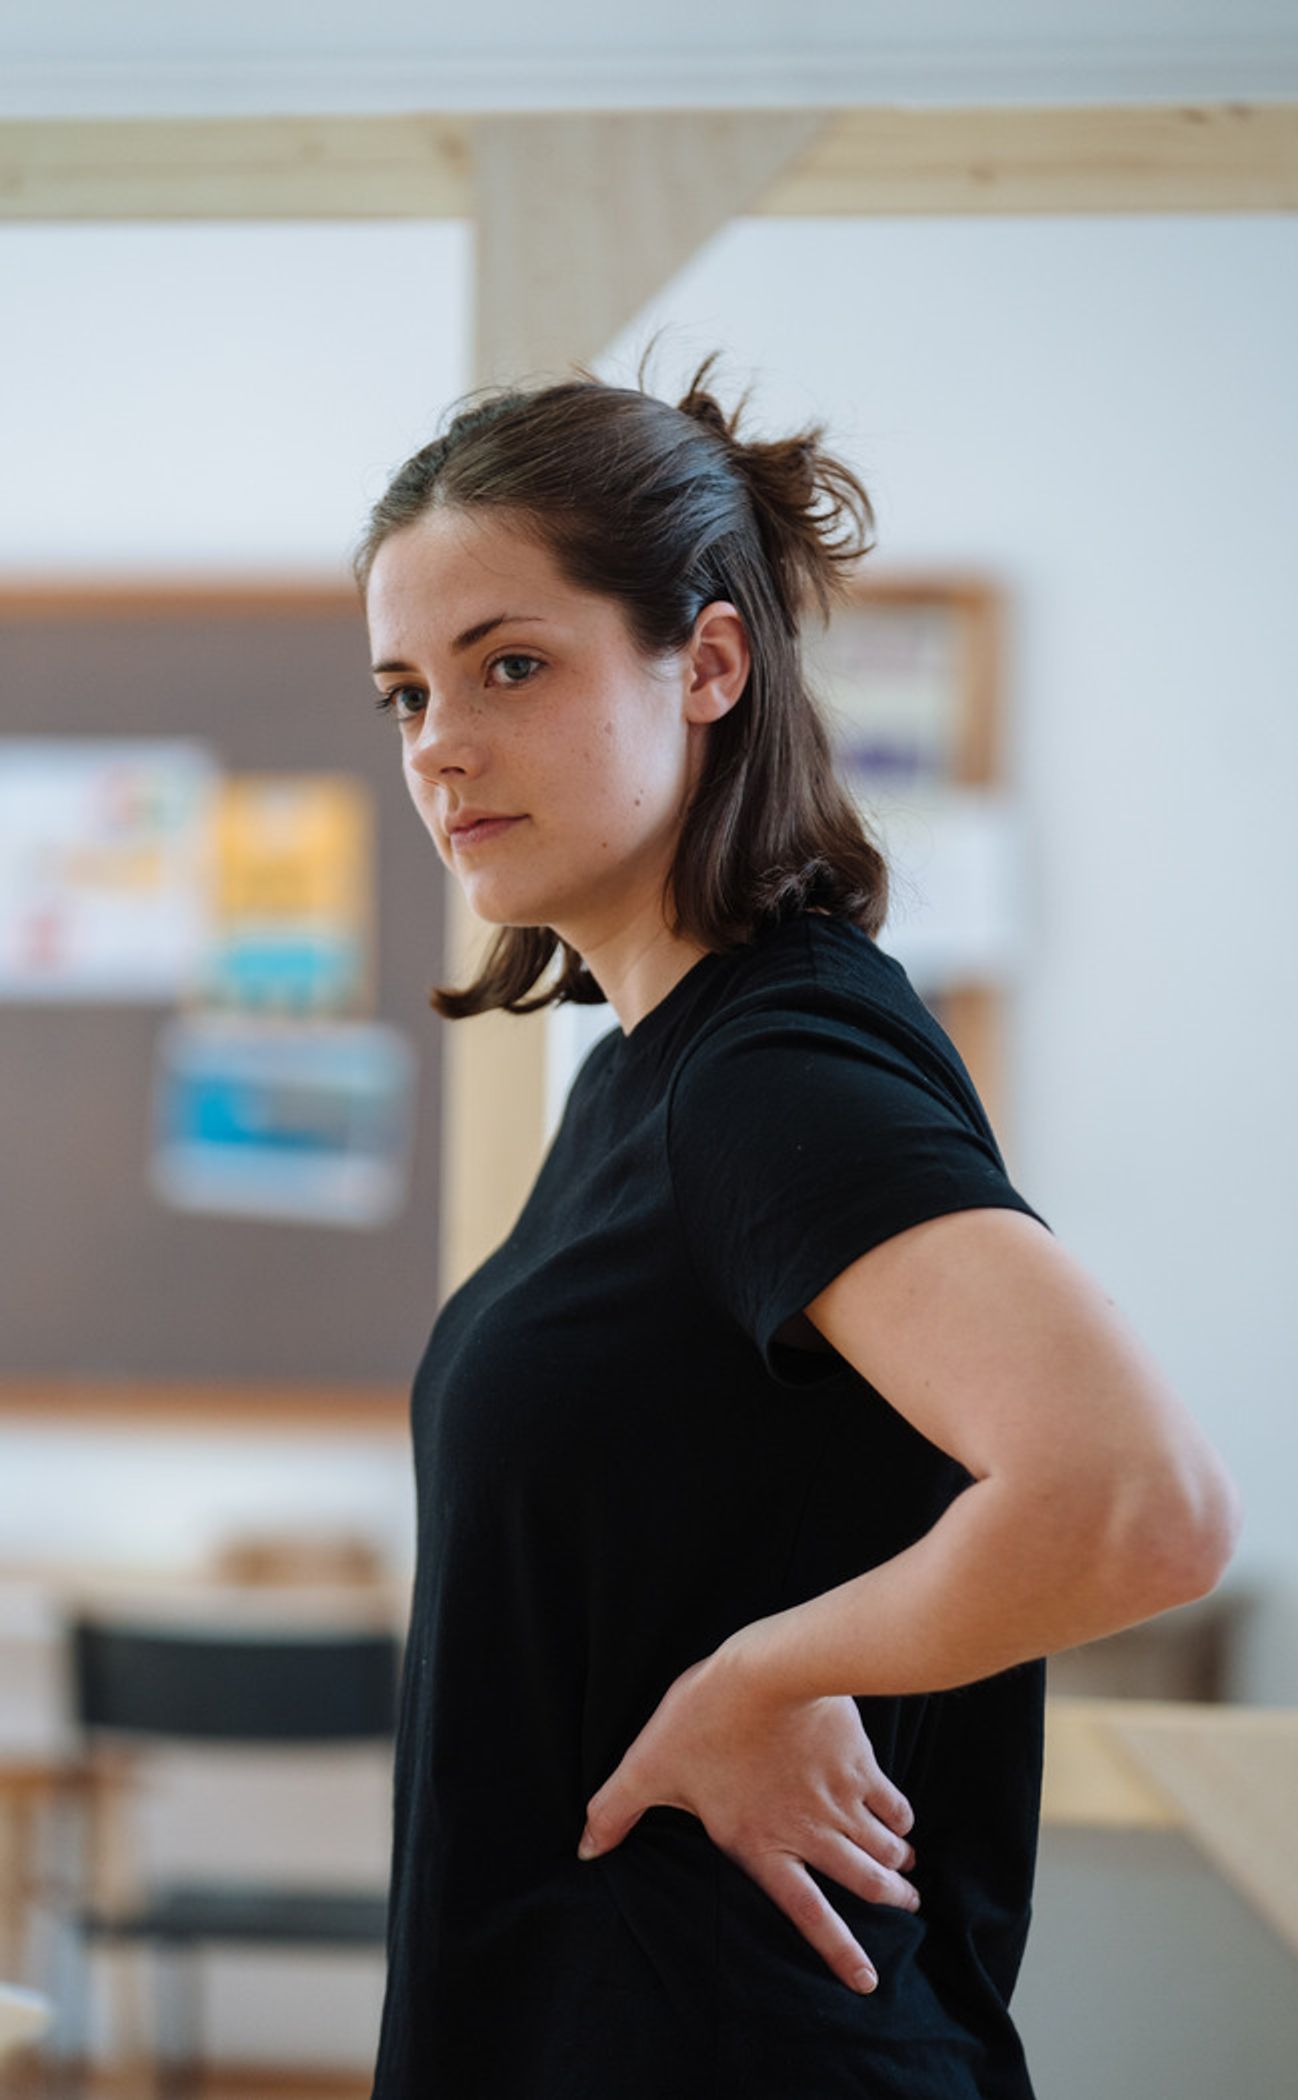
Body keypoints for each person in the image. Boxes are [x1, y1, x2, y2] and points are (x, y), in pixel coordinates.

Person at [354, 343, 1242, 2099]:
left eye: (510, 666)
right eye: (402, 695)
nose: (443, 746)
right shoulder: (654, 1070)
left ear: (707, 664)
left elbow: (1137, 1507)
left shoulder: (768, 1072)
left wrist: (760, 1677)